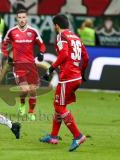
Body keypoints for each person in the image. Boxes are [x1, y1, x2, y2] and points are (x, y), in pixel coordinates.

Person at [40, 14, 89, 152]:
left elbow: (64, 55)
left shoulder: (61, 36)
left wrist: (50, 68)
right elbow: (86, 57)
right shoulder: (76, 38)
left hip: (67, 77)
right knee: (59, 105)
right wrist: (82, 72)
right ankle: (53, 136)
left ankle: (77, 135)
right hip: (76, 77)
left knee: (59, 106)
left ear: (56, 26)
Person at [2, 9, 46, 120]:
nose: (22, 20)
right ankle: (22, 104)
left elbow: (42, 45)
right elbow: (4, 45)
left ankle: (31, 112)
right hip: (18, 65)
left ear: (27, 18)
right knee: (25, 89)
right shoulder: (12, 32)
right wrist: (6, 55)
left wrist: (41, 52)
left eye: (23, 17)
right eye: (19, 17)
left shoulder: (33, 31)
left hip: (31, 65)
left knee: (33, 90)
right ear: (16, 18)